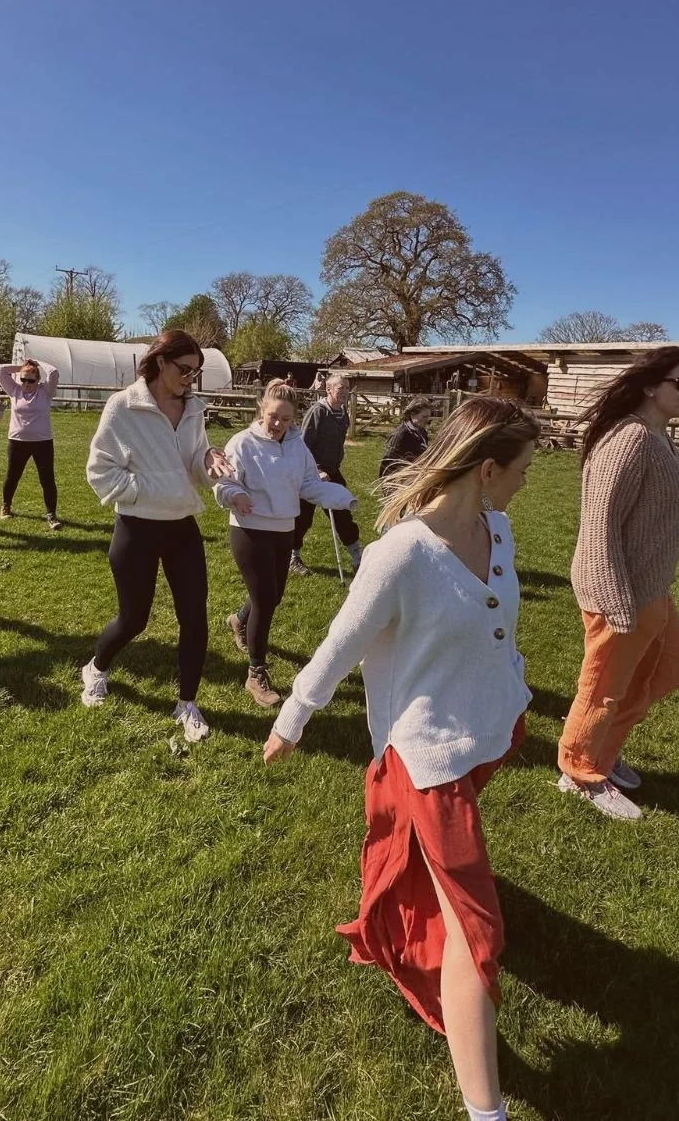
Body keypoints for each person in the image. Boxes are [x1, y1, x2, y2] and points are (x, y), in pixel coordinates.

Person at [264, 397, 540, 1121]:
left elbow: (498, 624)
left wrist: (512, 686)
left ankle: (406, 899)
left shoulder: (499, 531)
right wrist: (293, 719)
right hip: (426, 756)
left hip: (484, 730)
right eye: (522, 470)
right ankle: (486, 1111)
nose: (526, 484)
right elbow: (338, 645)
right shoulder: (400, 556)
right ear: (486, 470)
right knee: (477, 930)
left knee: (441, 881)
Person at [557, 346, 679, 821]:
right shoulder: (630, 438)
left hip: (651, 588)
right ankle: (578, 773)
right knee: (603, 689)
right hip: (620, 592)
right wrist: (614, 601)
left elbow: (656, 499)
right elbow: (599, 525)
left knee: (669, 670)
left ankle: (603, 754)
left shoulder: (659, 437)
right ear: (651, 386)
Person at [82, 330, 232, 741]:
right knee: (134, 619)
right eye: (185, 370)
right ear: (161, 361)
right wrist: (144, 492)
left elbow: (194, 464)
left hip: (182, 526)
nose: (190, 380)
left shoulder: (193, 408)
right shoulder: (123, 406)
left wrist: (209, 459)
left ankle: (187, 703)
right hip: (136, 527)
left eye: (196, 373)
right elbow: (100, 470)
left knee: (195, 619)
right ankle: (95, 669)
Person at [214, 381, 356, 707]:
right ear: (262, 410)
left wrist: (343, 498)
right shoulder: (243, 443)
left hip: (283, 529)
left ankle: (238, 619)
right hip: (249, 529)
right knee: (265, 600)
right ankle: (255, 673)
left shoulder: (297, 446)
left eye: (286, 419)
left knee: (273, 594)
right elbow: (225, 481)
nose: (278, 424)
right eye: (273, 416)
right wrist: (235, 495)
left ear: (294, 419)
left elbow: (308, 484)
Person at [290, 373, 361, 576]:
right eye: (341, 388)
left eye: (348, 388)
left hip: (333, 472)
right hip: (311, 473)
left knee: (343, 513)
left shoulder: (343, 412)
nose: (346, 392)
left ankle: (357, 558)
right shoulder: (317, 412)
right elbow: (302, 446)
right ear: (328, 390)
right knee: (303, 518)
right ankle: (292, 556)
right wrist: (317, 470)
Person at [0, 357, 62, 530]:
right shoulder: (14, 390)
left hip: (43, 442)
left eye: (30, 380)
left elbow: (53, 372)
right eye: (23, 379)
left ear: (38, 380)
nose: (26, 383)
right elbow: (0, 369)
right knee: (12, 476)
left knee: (47, 479)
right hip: (17, 441)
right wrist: (23, 367)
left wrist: (37, 363)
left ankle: (51, 515)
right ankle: (6, 506)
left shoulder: (46, 392)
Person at [379, 395, 433, 490]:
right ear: (412, 414)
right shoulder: (400, 435)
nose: (428, 420)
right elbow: (387, 466)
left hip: (415, 483)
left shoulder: (422, 432)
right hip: (398, 486)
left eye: (429, 416)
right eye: (424, 416)